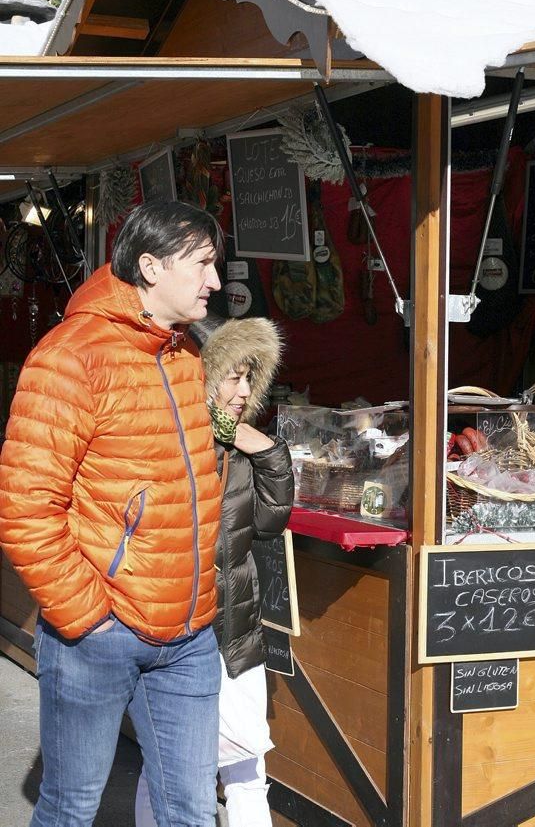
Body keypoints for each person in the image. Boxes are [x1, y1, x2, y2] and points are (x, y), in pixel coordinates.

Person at [0, 200, 225, 827]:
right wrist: (86, 617)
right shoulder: (70, 355)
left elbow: (178, 478)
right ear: (151, 267)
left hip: (188, 632)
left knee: (191, 811)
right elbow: (24, 509)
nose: (215, 280)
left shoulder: (183, 354)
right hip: (100, 631)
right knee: (71, 807)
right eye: (203, 264)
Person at [135, 314, 293, 827]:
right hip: (183, 631)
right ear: (203, 377)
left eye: (251, 377)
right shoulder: (168, 441)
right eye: (233, 376)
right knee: (174, 770)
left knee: (248, 766)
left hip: (237, 631)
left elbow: (268, 522)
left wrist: (266, 450)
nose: (244, 390)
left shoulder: (241, 446)